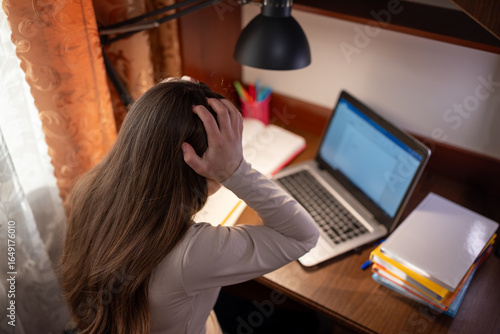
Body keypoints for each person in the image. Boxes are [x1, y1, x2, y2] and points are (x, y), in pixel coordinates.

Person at [59, 77, 319, 334]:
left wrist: (166, 103)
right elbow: (302, 236)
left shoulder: (89, 189)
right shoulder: (189, 253)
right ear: (198, 166)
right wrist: (235, 170)